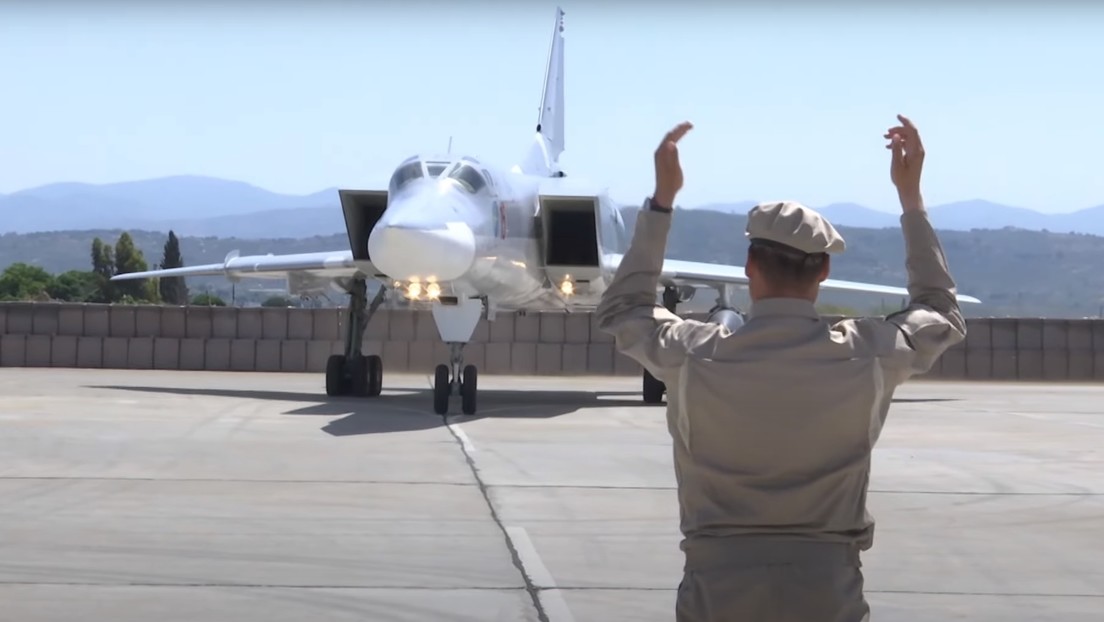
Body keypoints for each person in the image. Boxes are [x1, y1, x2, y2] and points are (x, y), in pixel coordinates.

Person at [594, 115, 967, 621]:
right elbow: (941, 311)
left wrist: (662, 201)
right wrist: (910, 199)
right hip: (826, 586)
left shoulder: (695, 351)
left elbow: (623, 310)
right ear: (825, 271)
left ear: (749, 268)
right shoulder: (868, 352)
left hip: (717, 586)